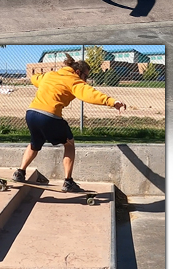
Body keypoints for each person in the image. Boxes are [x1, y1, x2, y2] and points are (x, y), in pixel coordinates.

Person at [13, 54, 126, 192]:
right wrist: (112, 102)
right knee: (69, 143)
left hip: (31, 114)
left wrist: (38, 80)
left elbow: (35, 78)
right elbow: (90, 94)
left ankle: (20, 172)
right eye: (85, 77)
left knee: (34, 144)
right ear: (78, 72)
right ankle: (68, 181)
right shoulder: (74, 80)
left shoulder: (50, 75)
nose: (86, 81)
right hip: (49, 116)